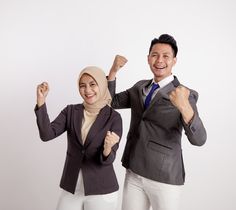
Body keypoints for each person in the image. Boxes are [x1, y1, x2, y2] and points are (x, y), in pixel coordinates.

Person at [107, 34, 207, 210]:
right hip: (134, 171)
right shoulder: (140, 87)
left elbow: (199, 140)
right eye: (155, 55)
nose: (159, 60)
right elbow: (111, 102)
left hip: (165, 177)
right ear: (148, 58)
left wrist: (185, 108)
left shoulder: (184, 94)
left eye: (166, 56)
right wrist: (113, 72)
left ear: (174, 60)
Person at [35, 66, 122, 210]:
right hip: (72, 187)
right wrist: (41, 101)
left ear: (101, 84)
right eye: (83, 86)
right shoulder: (70, 111)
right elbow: (46, 134)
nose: (87, 90)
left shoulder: (114, 117)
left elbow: (109, 159)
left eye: (92, 84)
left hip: (102, 190)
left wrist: (107, 148)